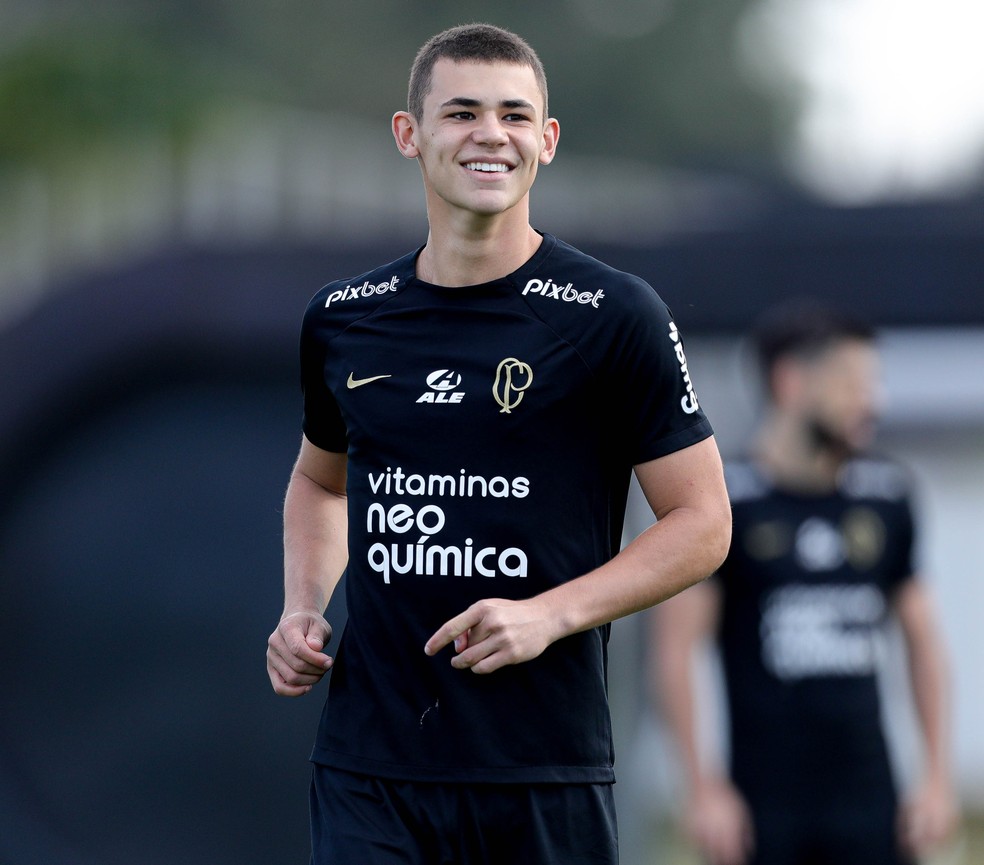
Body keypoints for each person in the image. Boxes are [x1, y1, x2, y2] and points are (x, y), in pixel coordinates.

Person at [264, 22, 732, 865]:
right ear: (410, 134)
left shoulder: (614, 314)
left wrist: (549, 614)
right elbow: (321, 483)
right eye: (462, 113)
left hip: (542, 769)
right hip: (371, 768)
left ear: (546, 140)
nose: (491, 134)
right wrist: (303, 604)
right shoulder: (342, 317)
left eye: (514, 115)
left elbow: (703, 522)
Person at [652, 300, 959, 865]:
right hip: (761, 810)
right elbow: (675, 652)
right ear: (790, 382)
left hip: (871, 802)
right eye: (852, 383)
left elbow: (924, 644)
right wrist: (702, 788)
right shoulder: (726, 505)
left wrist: (937, 778)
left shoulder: (887, 496)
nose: (872, 402)